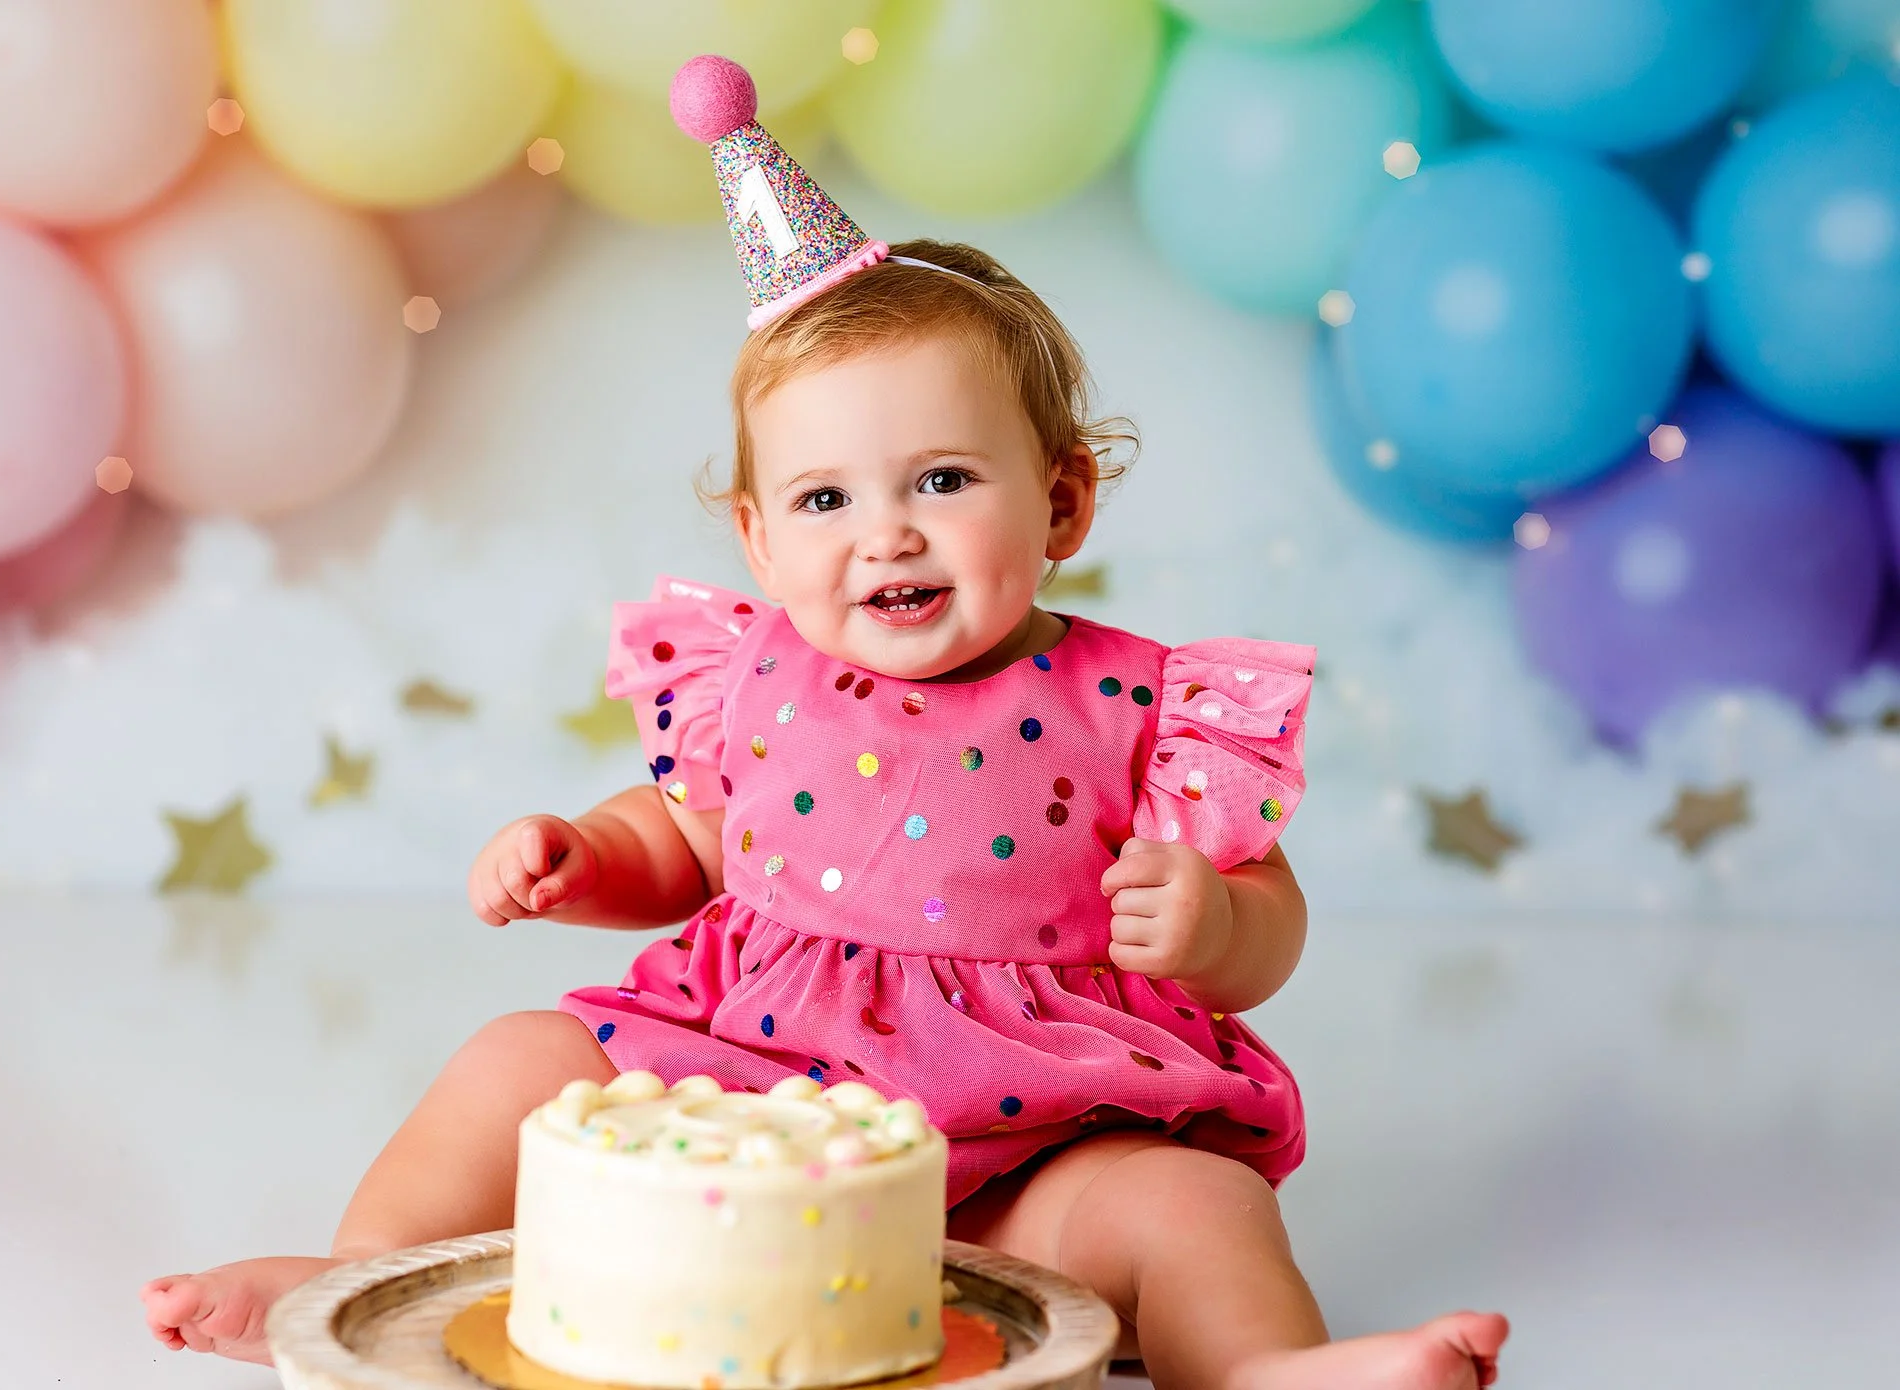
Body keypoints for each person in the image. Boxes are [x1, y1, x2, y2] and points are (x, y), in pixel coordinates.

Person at [143, 56, 1507, 1390]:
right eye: (824, 500)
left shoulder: (1143, 703)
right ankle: (359, 1280)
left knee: (1195, 1206)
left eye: (944, 477)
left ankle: (1266, 1365)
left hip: (1029, 1163)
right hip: (741, 1114)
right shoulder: (752, 679)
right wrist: (587, 853)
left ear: (1065, 502)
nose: (887, 531)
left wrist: (1217, 924)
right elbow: (688, 838)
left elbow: (1271, 907)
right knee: (516, 1062)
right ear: (754, 539)